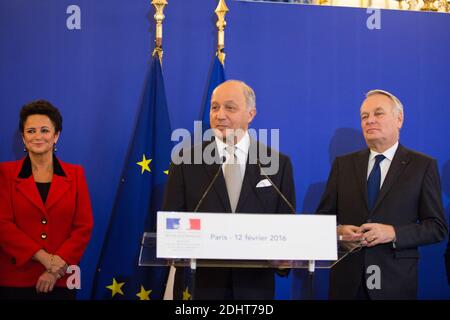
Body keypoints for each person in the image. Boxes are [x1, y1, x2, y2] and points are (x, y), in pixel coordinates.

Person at [162, 80, 296, 300]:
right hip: (199, 288)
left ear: (250, 114)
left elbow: (286, 225)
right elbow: (172, 223)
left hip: (254, 289)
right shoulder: (185, 162)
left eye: (230, 108)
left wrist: (284, 259)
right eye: (215, 107)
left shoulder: (278, 164)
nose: (220, 115)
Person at [316, 89, 448, 299]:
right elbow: (322, 220)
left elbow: (436, 227)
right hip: (347, 283)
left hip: (394, 283)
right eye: (364, 116)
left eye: (378, 114)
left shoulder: (422, 166)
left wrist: (393, 233)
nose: (370, 121)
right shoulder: (343, 165)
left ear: (399, 119)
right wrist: (339, 233)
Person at [0, 100, 94, 300]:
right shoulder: (5, 173)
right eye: (31, 131)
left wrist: (55, 270)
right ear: (23, 138)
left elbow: (83, 226)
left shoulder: (75, 174)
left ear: (56, 136)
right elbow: (3, 225)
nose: (37, 136)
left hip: (61, 278)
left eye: (44, 130)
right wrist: (45, 258)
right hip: (16, 279)